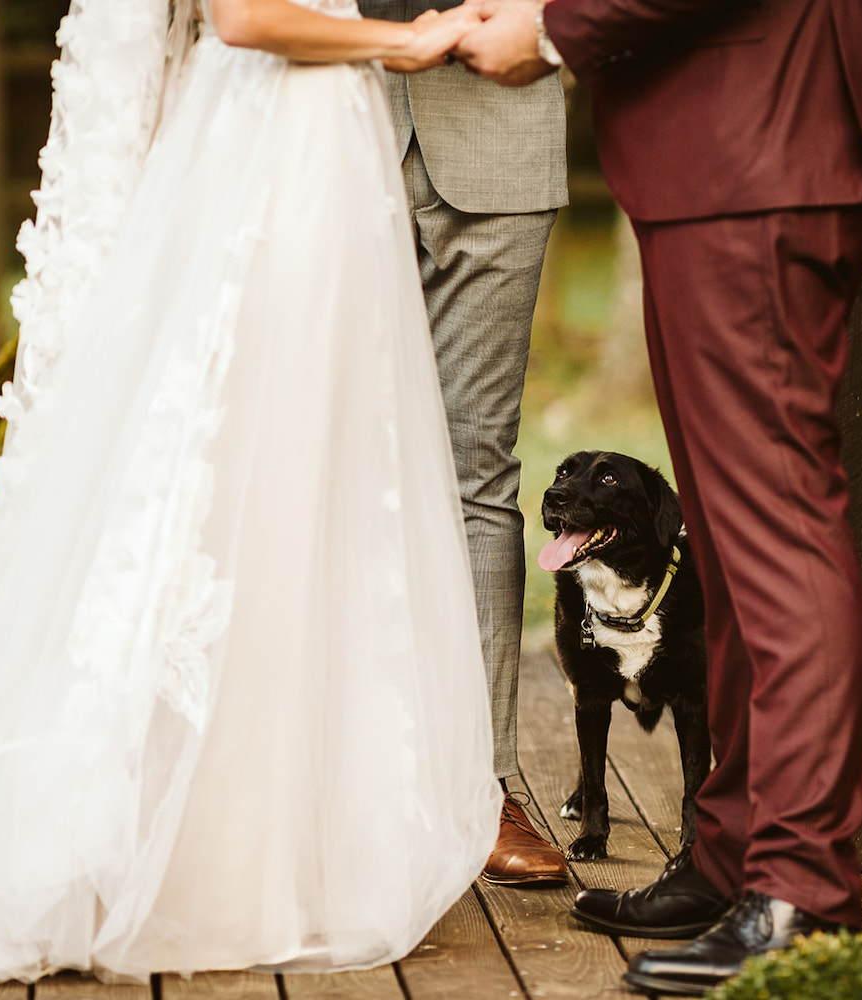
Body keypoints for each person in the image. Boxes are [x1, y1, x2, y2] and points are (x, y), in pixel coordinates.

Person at [0, 0, 505, 989]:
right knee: (240, 485)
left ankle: (286, 843)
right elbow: (246, 16)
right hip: (274, 157)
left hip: (321, 149)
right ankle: (189, 851)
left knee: (304, 488)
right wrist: (408, 42)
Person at [453, 0, 862, 994]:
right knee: (739, 544)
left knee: (781, 533)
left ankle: (802, 894)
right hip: (731, 147)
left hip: (757, 141)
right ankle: (738, 855)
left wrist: (551, 28)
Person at [355, 0, 570, 886]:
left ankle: (481, 787)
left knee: (477, 473)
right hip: (321, 124)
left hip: (500, 123)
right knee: (297, 462)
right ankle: (321, 777)